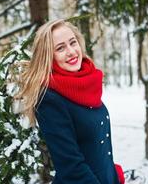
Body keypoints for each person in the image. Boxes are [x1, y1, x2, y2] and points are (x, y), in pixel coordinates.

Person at [16, 19, 125, 184]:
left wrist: (112, 174)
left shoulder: (88, 84)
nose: (71, 52)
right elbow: (71, 166)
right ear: (48, 56)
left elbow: (95, 146)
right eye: (60, 48)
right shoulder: (49, 99)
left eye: (73, 43)